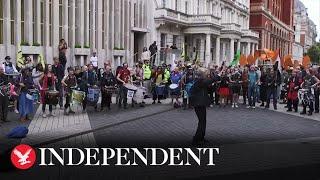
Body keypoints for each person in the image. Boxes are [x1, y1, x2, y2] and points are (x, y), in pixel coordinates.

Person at [189, 68, 212, 146]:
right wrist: (217, 75)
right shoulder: (199, 80)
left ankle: (201, 137)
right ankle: (196, 139)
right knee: (202, 121)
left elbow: (208, 87)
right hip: (198, 104)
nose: (207, 74)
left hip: (200, 103)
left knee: (203, 121)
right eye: (206, 73)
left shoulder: (200, 80)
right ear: (203, 74)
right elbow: (210, 80)